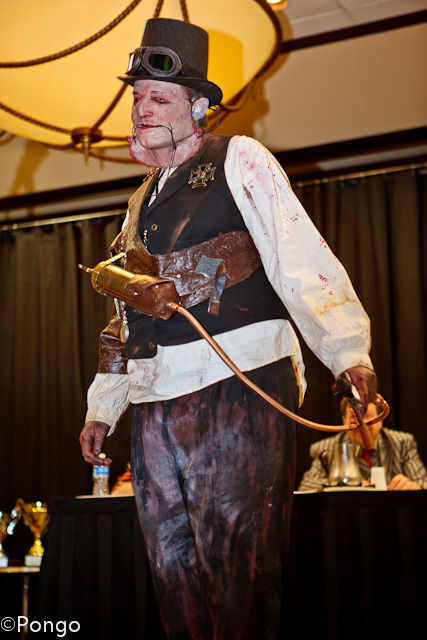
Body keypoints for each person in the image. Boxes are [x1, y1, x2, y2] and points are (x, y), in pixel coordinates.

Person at [79, 17, 377, 640]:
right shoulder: (138, 202)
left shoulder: (240, 158)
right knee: (173, 572)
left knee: (242, 569)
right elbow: (125, 313)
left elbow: (299, 257)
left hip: (236, 382)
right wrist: (104, 406)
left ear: (198, 107)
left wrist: (348, 352)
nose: (141, 109)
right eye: (137, 98)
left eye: (158, 97)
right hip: (156, 399)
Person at [298, 400, 427, 491]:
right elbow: (306, 489)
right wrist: (342, 487)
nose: (361, 424)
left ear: (380, 419)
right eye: (354, 417)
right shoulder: (325, 449)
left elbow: (423, 481)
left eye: (367, 416)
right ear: (344, 421)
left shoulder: (402, 442)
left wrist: (412, 485)